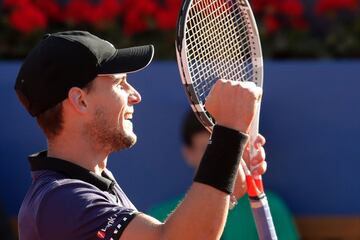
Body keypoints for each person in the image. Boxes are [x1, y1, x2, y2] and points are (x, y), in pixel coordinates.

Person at [15, 30, 267, 240]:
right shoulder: (59, 200)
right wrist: (228, 134)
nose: (135, 95)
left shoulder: (83, 187)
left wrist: (227, 186)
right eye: (119, 83)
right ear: (80, 101)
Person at [148, 111, 300, 240]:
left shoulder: (273, 208)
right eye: (209, 150)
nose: (220, 158)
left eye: (228, 149)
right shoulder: (158, 219)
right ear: (189, 153)